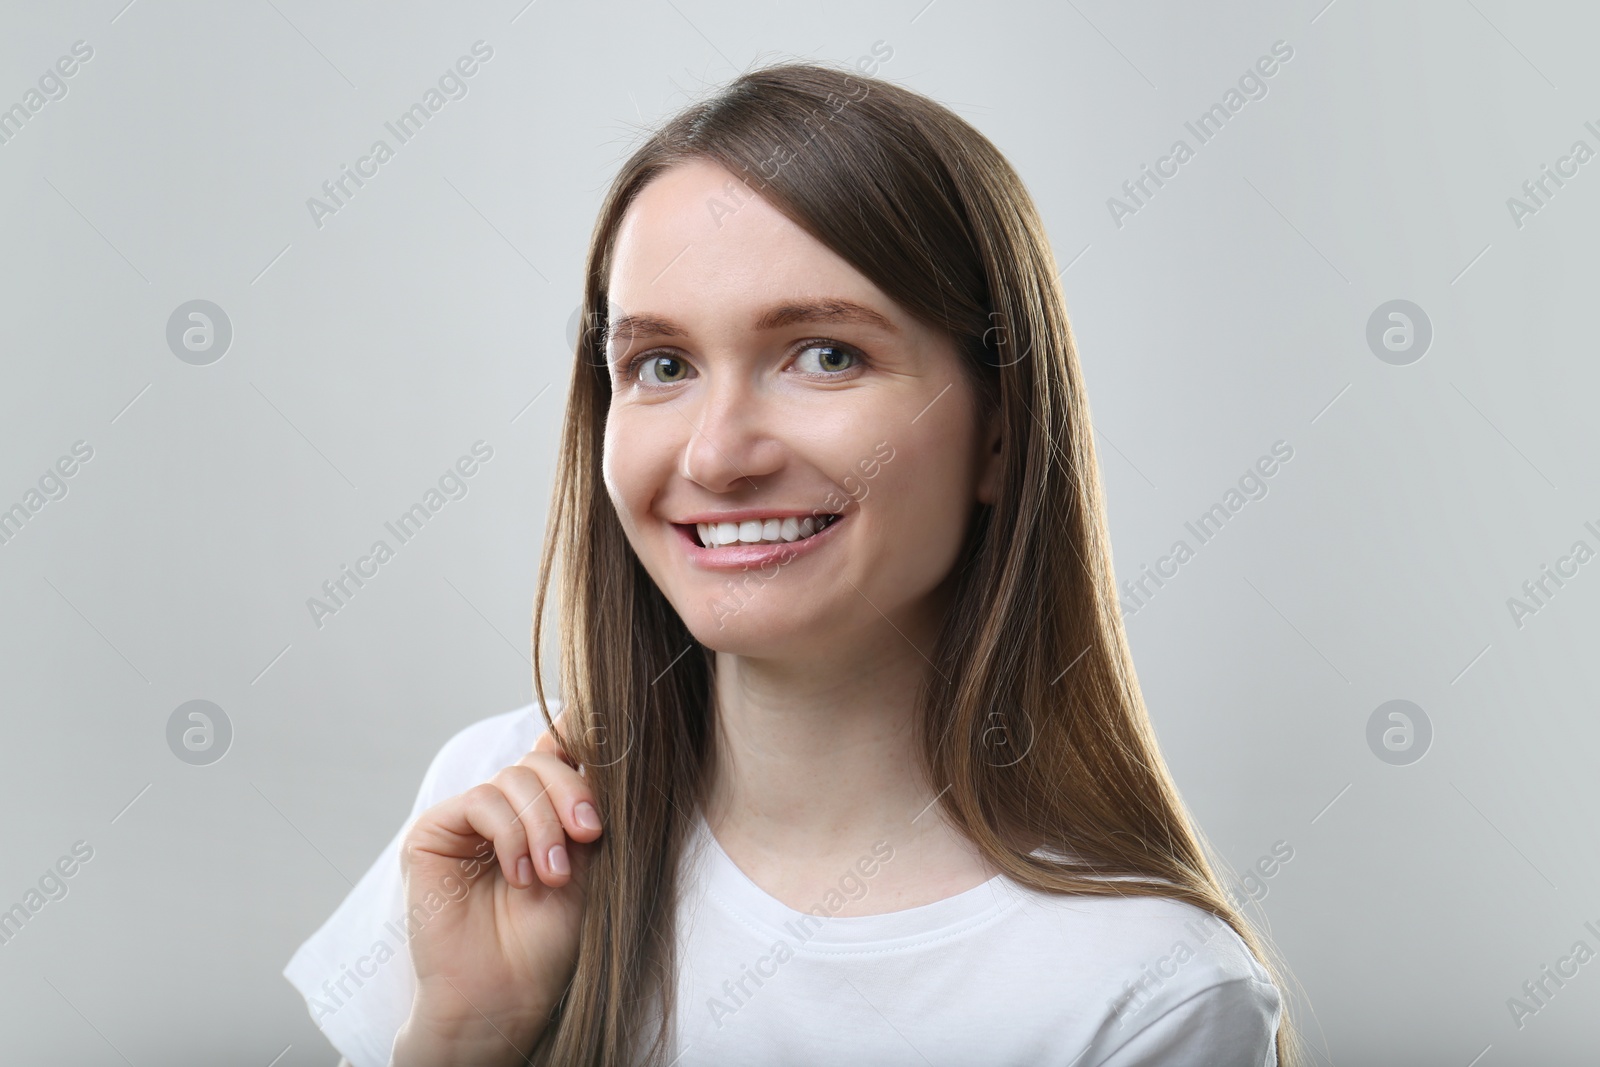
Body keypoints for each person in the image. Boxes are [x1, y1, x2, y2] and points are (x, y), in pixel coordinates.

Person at [284, 60, 1304, 1067]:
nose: (717, 454)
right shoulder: (494, 811)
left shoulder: (1145, 997)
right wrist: (462, 1040)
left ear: (997, 433)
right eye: (661, 365)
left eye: (823, 353)